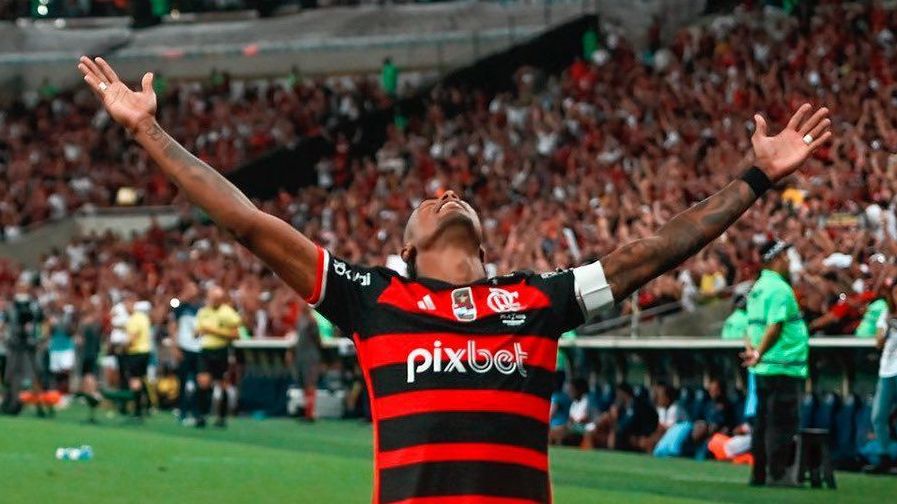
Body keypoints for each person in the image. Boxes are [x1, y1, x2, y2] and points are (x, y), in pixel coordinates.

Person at [77, 56, 831, 503]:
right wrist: (146, 130)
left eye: (457, 195)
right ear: (402, 245)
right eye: (427, 200)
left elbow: (656, 251)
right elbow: (245, 220)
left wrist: (754, 178)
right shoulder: (371, 297)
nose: (444, 193)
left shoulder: (538, 300)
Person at [742, 239, 810, 487]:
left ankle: (758, 474)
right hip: (783, 365)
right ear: (774, 260)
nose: (787, 262)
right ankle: (778, 474)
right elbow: (776, 325)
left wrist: (752, 352)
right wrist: (758, 352)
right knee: (781, 424)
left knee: (762, 423)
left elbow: (749, 327)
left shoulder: (757, 288)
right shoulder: (780, 289)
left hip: (764, 368)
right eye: (783, 257)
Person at [195, 285, 241, 428]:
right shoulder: (203, 312)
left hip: (221, 350)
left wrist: (213, 331)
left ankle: (221, 417)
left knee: (222, 384)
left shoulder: (228, 313)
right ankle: (201, 415)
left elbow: (235, 335)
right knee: (203, 382)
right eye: (212, 298)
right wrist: (198, 332)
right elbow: (197, 331)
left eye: (217, 298)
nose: (214, 300)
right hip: (206, 350)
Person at [863, 281, 897, 474]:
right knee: (878, 416)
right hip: (887, 370)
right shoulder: (886, 313)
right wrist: (887, 328)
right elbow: (878, 342)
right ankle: (884, 455)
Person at [1, 280, 46, 417]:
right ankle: (11, 402)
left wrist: (40, 339)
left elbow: (42, 322)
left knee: (34, 375)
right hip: (14, 344)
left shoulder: (34, 306)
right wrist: (5, 337)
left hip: (29, 344)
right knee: (11, 374)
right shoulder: (11, 306)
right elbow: (6, 323)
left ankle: (40, 405)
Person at [170, 282, 202, 425]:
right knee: (182, 382)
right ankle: (182, 411)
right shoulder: (180, 307)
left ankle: (196, 412)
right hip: (184, 348)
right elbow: (173, 326)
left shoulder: (202, 308)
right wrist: (175, 346)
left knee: (197, 382)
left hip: (198, 349)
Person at [292, 302, 323, 422]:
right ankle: (307, 411)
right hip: (301, 355)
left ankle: (310, 413)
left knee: (310, 384)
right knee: (304, 384)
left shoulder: (312, 321)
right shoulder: (300, 319)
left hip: (310, 356)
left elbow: (318, 340)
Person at [124, 296, 152, 420]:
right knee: (141, 380)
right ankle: (148, 405)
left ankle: (137, 410)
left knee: (135, 381)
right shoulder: (144, 318)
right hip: (145, 352)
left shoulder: (133, 319)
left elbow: (133, 338)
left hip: (136, 352)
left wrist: (122, 347)